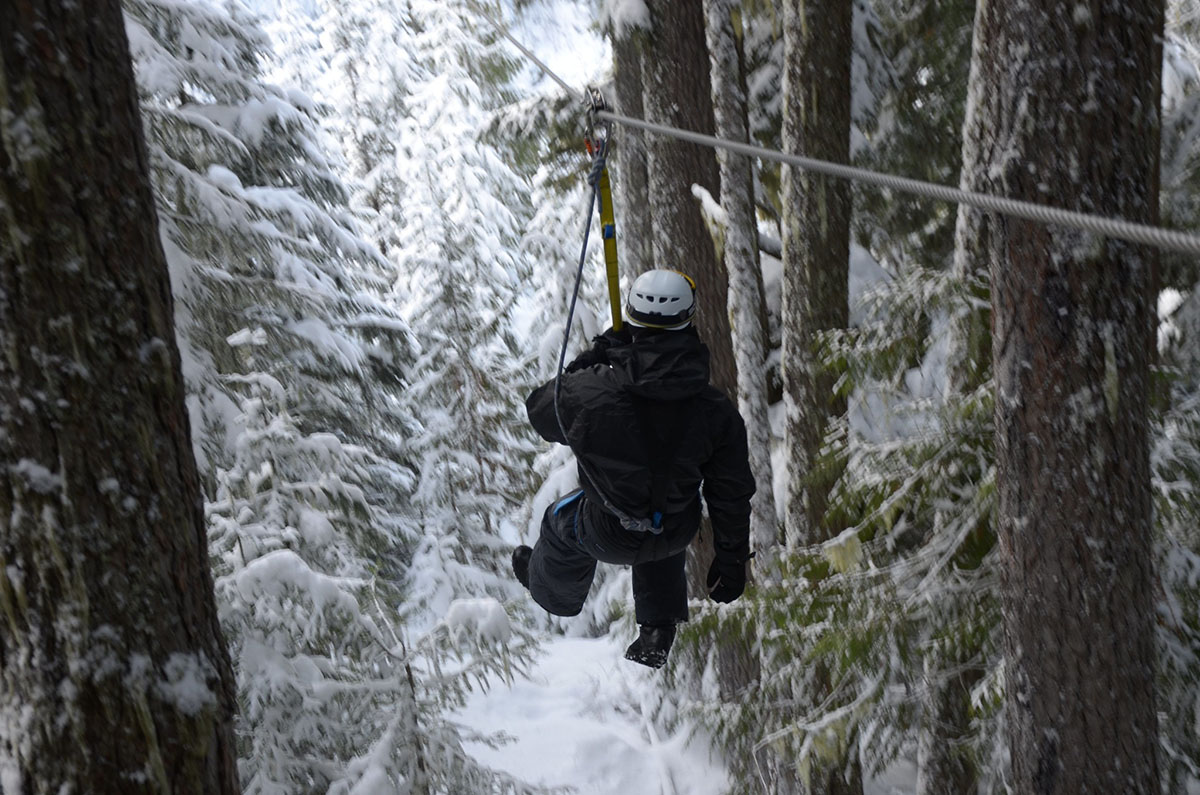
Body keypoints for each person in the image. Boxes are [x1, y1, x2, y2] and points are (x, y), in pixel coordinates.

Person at [512, 269, 756, 668]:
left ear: (632, 319)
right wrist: (730, 561)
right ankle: (658, 625)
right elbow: (730, 492)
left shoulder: (591, 390)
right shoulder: (715, 410)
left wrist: (590, 361)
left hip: (606, 531)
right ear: (688, 320)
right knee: (661, 512)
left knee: (558, 521)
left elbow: (540, 412)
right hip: (677, 529)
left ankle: (555, 597)